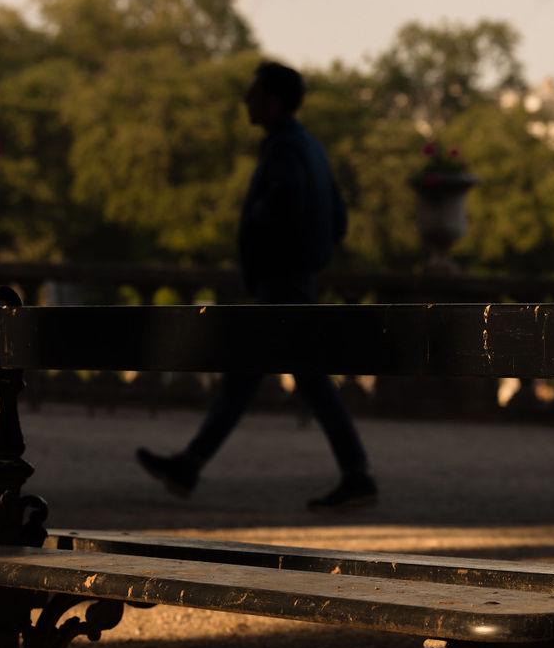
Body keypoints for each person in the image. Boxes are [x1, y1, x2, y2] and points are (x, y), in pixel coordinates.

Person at [135, 60, 377, 510]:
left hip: (281, 283)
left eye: (253, 93)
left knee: (265, 377)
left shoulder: (282, 149)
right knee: (274, 378)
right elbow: (337, 217)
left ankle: (356, 475)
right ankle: (191, 464)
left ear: (272, 101)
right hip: (297, 279)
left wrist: (259, 246)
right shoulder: (310, 147)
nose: (246, 100)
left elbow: (276, 211)